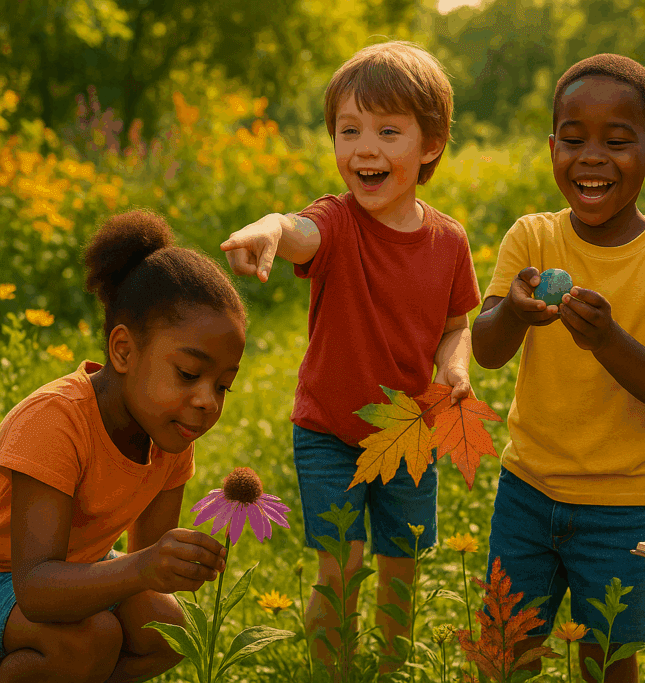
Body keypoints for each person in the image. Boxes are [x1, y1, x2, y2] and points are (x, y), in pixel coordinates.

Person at [219, 41, 480, 673]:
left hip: (410, 431)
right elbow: (295, 230)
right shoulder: (335, 223)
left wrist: (456, 365)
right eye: (349, 130)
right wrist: (269, 228)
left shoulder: (448, 241)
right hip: (329, 431)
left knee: (401, 568)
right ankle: (331, 671)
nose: (364, 147)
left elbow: (456, 325)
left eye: (388, 130)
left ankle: (389, 667)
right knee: (341, 567)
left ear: (431, 144)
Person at [472, 54, 645, 683]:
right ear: (553, 148)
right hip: (527, 490)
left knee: (606, 659)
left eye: (617, 141)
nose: (592, 158)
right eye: (574, 140)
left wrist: (607, 339)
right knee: (505, 650)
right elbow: (486, 349)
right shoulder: (531, 238)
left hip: (624, 506)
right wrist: (518, 315)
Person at [0, 209, 246, 682]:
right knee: (89, 639)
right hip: (12, 575)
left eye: (223, 386)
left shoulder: (169, 438)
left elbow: (146, 568)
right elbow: (33, 587)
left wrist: (174, 566)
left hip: (71, 571)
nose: (206, 402)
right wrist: (144, 567)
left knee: (170, 627)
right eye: (190, 375)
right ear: (124, 351)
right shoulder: (56, 422)